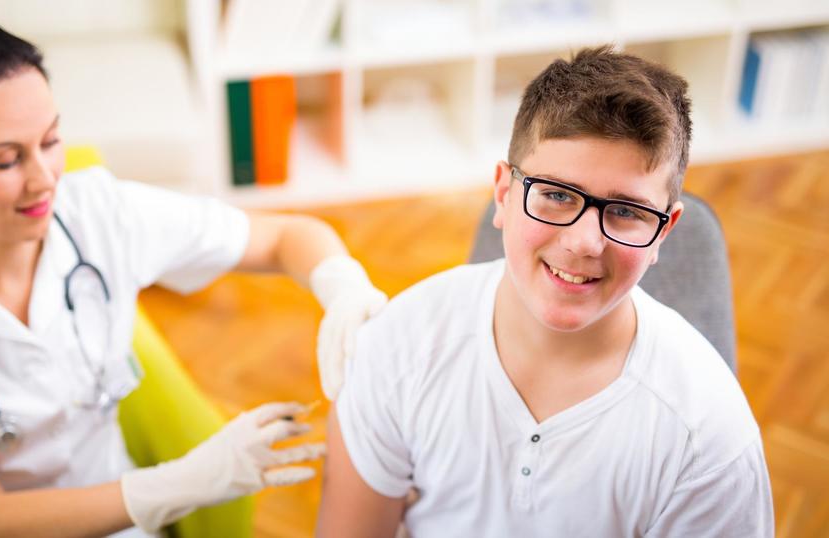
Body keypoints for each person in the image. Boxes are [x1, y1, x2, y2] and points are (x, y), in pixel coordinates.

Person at [0, 17, 387, 537]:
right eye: (6, 161)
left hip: (107, 507)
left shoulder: (99, 213)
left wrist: (342, 285)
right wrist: (184, 483)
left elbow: (286, 237)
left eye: (50, 141)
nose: (45, 179)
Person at [317, 46, 774, 537]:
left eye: (627, 211)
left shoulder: (709, 442)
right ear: (503, 194)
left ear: (663, 232)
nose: (584, 242)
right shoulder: (400, 345)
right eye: (556, 194)